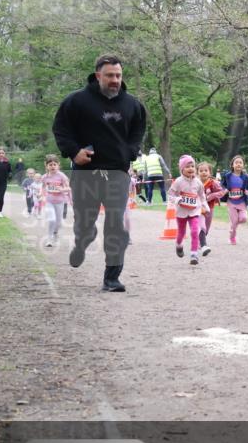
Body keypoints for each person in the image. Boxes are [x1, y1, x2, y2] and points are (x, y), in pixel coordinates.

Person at [52, 54, 147, 292]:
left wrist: (131, 152)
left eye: (118, 75)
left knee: (116, 224)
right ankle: (83, 240)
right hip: (86, 172)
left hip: (117, 172)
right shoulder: (76, 101)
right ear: (98, 76)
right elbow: (60, 129)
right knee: (84, 223)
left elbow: (138, 131)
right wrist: (74, 152)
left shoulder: (132, 104)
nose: (115, 80)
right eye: (110, 75)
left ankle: (112, 277)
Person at [168, 155, 209, 265]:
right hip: (181, 212)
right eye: (187, 167)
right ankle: (179, 245)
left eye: (192, 166)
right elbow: (170, 195)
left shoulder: (198, 182)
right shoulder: (178, 181)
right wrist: (177, 199)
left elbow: (202, 195)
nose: (191, 168)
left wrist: (205, 205)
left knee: (195, 231)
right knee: (181, 233)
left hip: (194, 211)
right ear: (182, 169)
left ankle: (194, 254)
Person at [41, 154, 72, 247]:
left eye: (54, 164)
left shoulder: (62, 176)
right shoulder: (45, 177)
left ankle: (55, 233)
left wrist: (61, 190)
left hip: (60, 202)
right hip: (49, 201)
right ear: (46, 166)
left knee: (58, 223)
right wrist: (42, 196)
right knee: (52, 219)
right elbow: (43, 188)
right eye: (50, 165)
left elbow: (69, 188)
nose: (52, 166)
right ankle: (49, 238)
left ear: (58, 165)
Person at [222, 155, 248, 245]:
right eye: (236, 162)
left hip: (242, 201)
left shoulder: (247, 178)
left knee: (244, 218)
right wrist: (225, 190)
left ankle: (233, 227)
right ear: (232, 165)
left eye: (240, 163)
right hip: (231, 202)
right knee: (234, 221)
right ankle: (232, 237)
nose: (238, 164)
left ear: (243, 165)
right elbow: (222, 185)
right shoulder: (227, 176)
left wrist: (247, 191)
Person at [197, 162, 225, 256]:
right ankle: (201, 244)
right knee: (202, 227)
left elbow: (222, 192)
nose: (203, 172)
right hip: (198, 209)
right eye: (201, 171)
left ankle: (200, 240)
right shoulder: (195, 182)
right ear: (197, 172)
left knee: (206, 229)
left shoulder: (213, 183)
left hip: (209, 209)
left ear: (210, 172)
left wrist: (211, 196)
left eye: (206, 170)